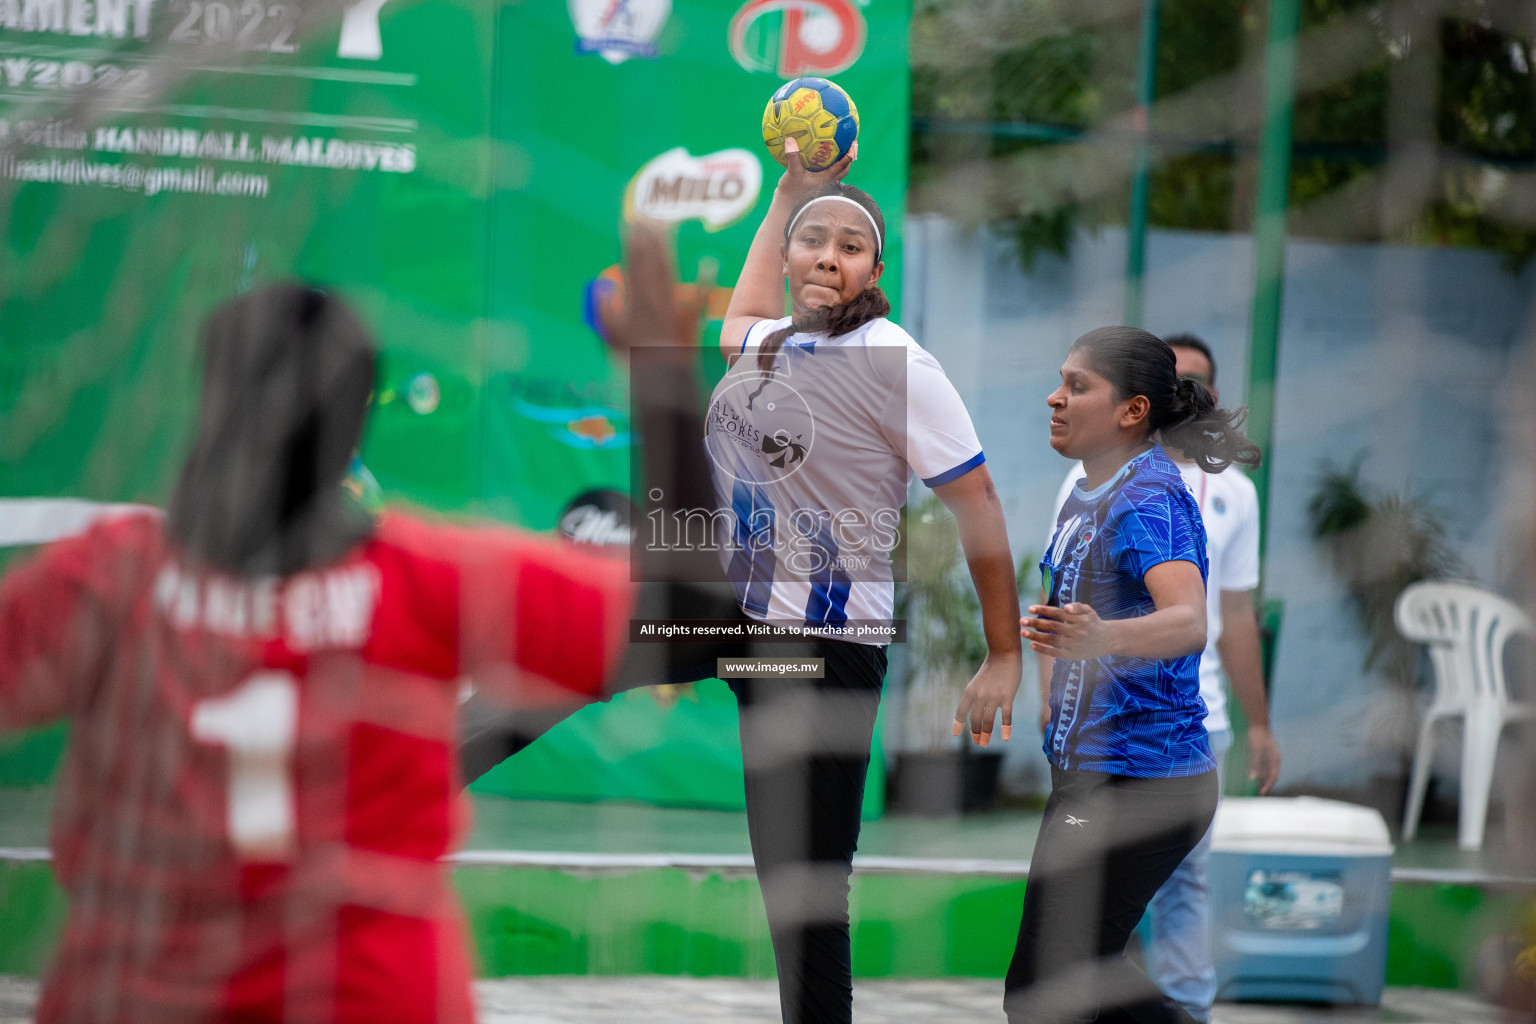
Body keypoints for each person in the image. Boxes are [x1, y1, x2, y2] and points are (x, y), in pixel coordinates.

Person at [0, 232, 711, 1023]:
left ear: (205, 403)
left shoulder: (108, 578)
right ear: (349, 429)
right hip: (370, 994)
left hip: (131, 990)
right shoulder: (428, 578)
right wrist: (666, 383)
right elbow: (688, 612)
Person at [712, 136, 1022, 1024]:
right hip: (743, 621)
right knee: (581, 650)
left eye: (852, 246)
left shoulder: (898, 362)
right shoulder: (771, 343)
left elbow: (982, 501)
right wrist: (784, 195)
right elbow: (737, 320)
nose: (829, 256)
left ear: (875, 269)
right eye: (815, 240)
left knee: (801, 887)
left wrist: (1003, 652)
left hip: (823, 648)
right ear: (789, 257)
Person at [1010, 325, 1261, 1024]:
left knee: (1047, 989)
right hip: (1094, 773)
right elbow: (1066, 616)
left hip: (1144, 782)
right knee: (1065, 982)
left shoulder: (1148, 496)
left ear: (1133, 411)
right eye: (1061, 380)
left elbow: (1189, 620)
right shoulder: (1088, 490)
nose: (1054, 397)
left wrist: (1101, 636)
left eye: (1078, 386)